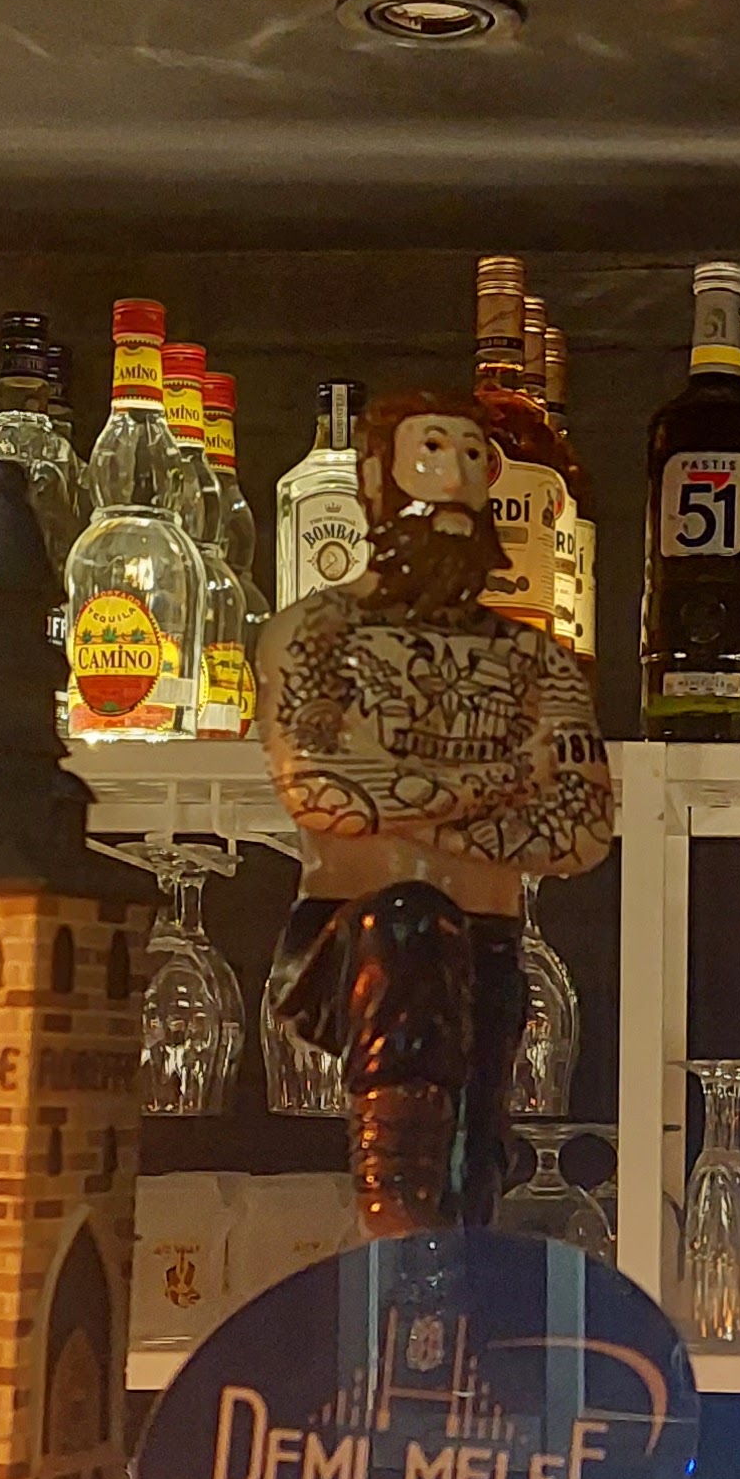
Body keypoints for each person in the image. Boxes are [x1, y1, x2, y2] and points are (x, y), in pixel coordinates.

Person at [258, 390, 611, 1234]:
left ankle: (445, 1289)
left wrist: (400, 796)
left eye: (471, 457)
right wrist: (503, 781)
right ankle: (394, 1231)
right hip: (353, 945)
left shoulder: (535, 657)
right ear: (375, 477)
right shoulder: (315, 632)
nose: (453, 479)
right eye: (430, 454)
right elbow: (319, 791)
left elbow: (583, 827)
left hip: (488, 951)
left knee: (471, 1173)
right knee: (411, 918)